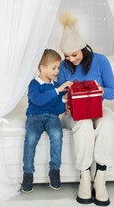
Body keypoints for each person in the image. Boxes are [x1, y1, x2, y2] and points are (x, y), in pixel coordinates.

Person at [57, 13, 114, 206]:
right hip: (72, 112)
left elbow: (112, 92)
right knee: (83, 124)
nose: (71, 59)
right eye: (67, 56)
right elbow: (58, 97)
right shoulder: (64, 66)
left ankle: (100, 177)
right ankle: (84, 177)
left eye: (74, 54)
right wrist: (64, 95)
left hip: (97, 107)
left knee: (107, 120)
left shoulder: (101, 61)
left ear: (83, 48)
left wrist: (100, 91)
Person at [22, 49, 72, 193]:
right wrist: (57, 92)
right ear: (43, 68)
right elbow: (38, 101)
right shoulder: (33, 85)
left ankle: (54, 170)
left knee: (57, 134)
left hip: (52, 117)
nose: (57, 71)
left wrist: (64, 99)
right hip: (34, 117)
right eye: (54, 68)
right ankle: (28, 173)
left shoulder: (57, 86)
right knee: (30, 138)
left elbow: (57, 110)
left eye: (58, 68)